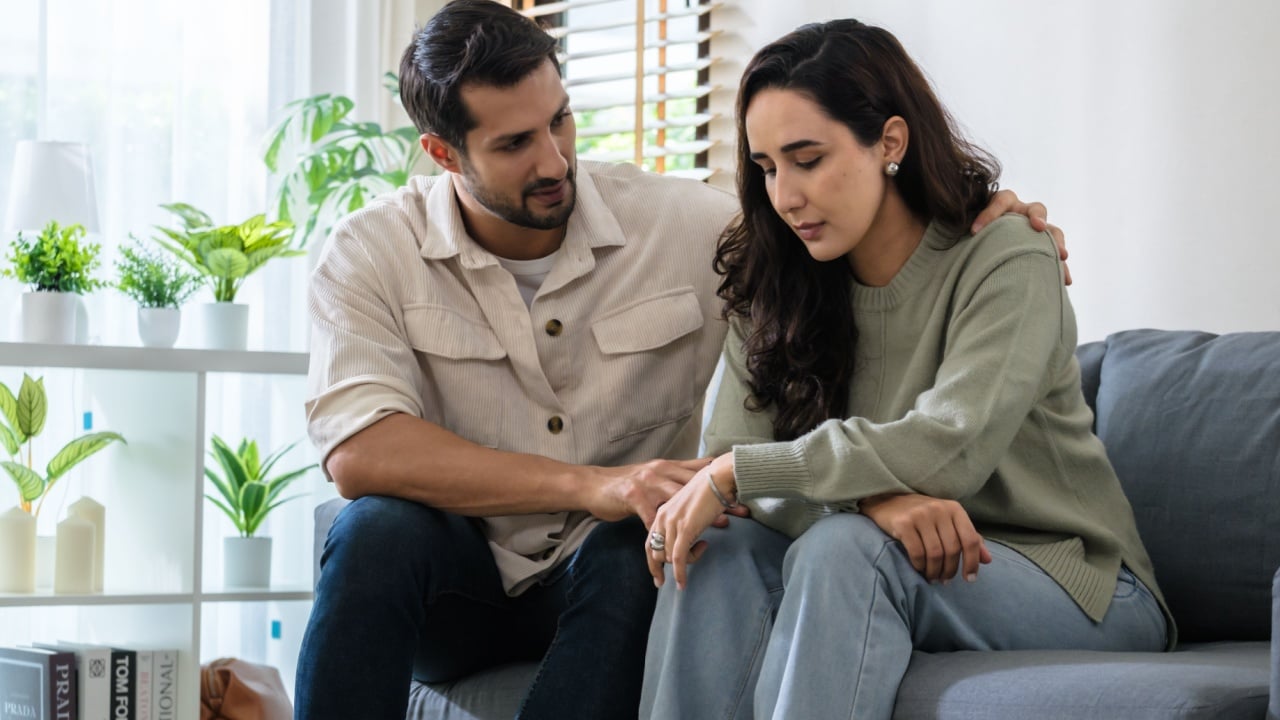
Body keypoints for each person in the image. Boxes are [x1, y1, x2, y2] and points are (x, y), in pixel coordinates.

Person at [294, 2, 1064, 718]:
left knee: (659, 536)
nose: (555, 158)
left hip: (613, 570)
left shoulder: (693, 227)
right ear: (442, 153)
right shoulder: (370, 253)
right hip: (458, 586)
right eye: (514, 144)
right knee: (373, 531)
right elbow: (362, 452)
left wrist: (995, 216)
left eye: (559, 120)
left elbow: (830, 216)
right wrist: (592, 483)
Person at [640, 18, 1173, 720]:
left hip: (1073, 579)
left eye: (808, 159)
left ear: (889, 142)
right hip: (893, 551)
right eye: (767, 167)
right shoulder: (775, 278)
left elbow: (948, 447)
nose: (785, 196)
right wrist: (871, 501)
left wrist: (762, 477)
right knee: (715, 545)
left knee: (845, 553)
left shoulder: (1007, 256)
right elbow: (733, 473)